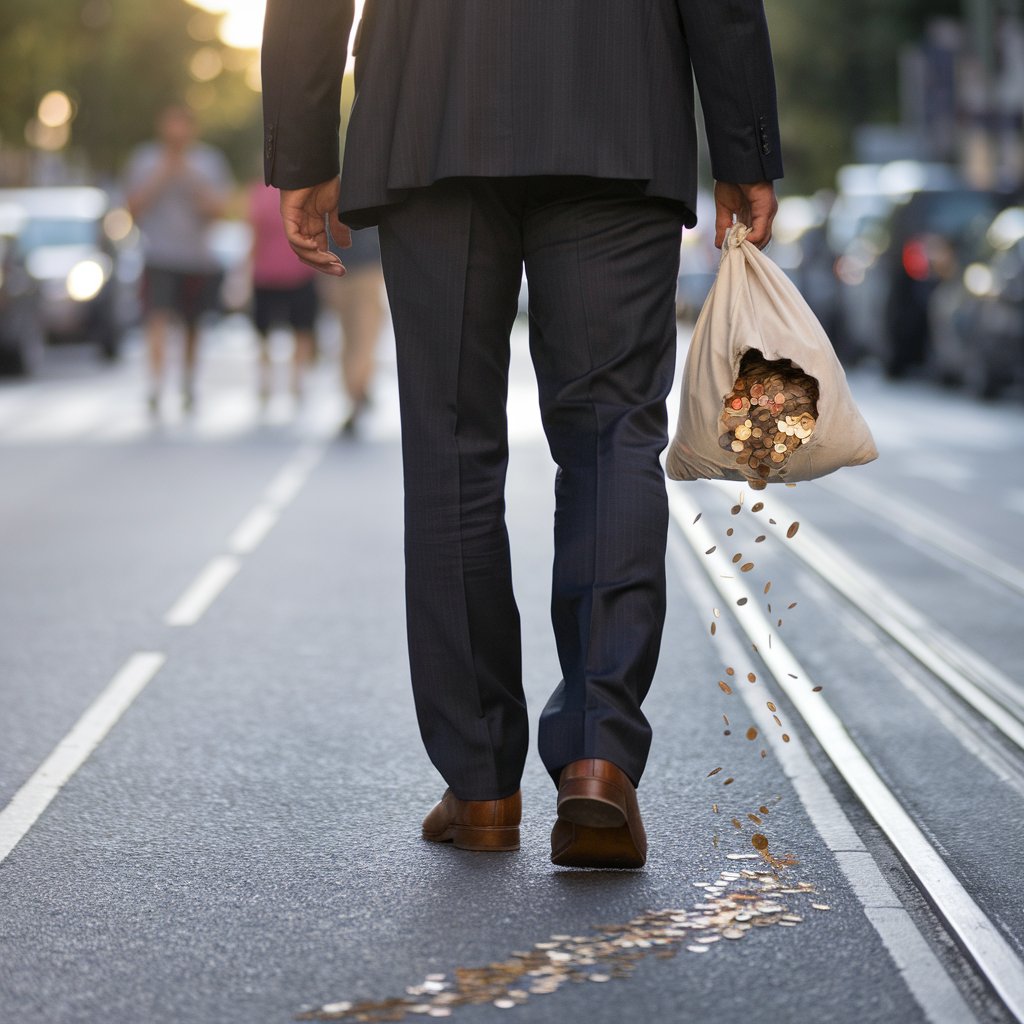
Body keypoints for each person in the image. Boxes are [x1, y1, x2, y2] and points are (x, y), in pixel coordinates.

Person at [261, 0, 783, 869]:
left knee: (449, 447)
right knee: (613, 433)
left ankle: (480, 783)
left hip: (431, 106)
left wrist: (305, 149)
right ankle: (598, 757)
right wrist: (743, 144)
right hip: (619, 105)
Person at [125, 105, 232, 415]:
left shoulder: (208, 161)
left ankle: (188, 381)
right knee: (155, 320)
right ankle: (156, 385)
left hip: (197, 258)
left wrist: (187, 175)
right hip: (159, 255)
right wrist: (163, 173)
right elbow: (132, 207)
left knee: (192, 326)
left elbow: (220, 209)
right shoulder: (145, 159)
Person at [247, 181, 319, 404]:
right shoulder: (303, 191)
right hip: (278, 273)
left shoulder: (262, 192)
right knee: (289, 332)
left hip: (290, 273)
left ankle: (280, 382)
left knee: (289, 332)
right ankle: (289, 382)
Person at [316, 226, 385, 435]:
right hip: (363, 269)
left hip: (342, 267)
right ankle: (357, 392)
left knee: (352, 340)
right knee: (363, 338)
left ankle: (357, 390)